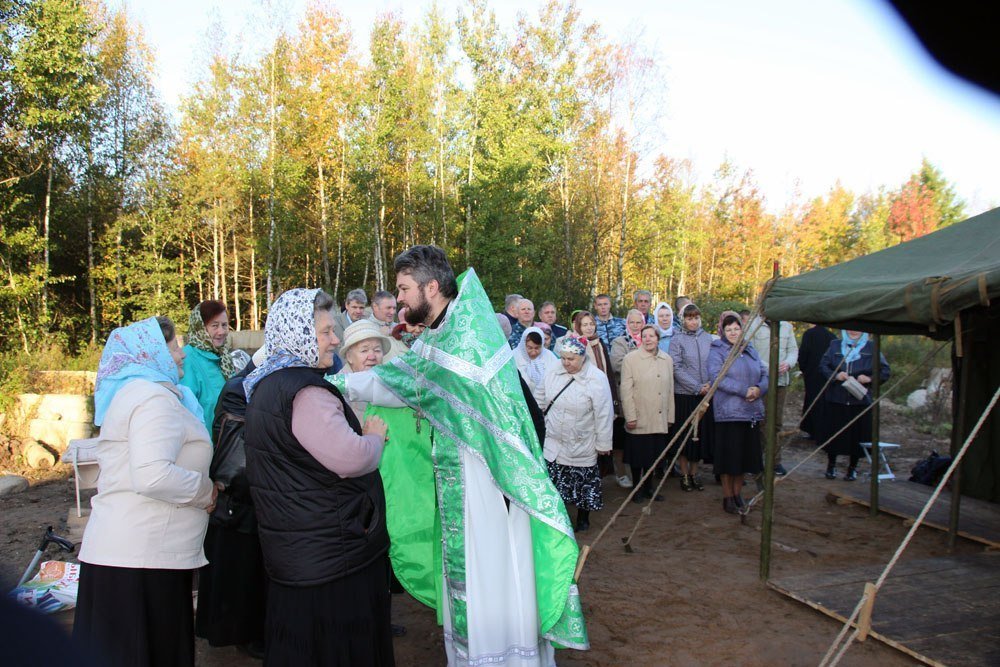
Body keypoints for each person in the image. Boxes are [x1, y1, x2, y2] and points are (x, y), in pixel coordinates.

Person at [331, 245, 589, 666]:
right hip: (468, 479)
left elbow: (400, 383)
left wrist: (332, 386)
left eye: (404, 288)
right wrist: (335, 385)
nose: (398, 300)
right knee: (475, 574)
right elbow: (403, 385)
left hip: (488, 483)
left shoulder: (465, 338)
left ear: (431, 287)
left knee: (493, 572)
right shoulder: (442, 334)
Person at [243, 288, 393, 666]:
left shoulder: (266, 386)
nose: (336, 339)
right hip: (332, 557)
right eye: (325, 332)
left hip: (299, 552)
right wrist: (373, 438)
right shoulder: (305, 391)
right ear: (299, 335)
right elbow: (350, 458)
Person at [74, 316, 218, 667]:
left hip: (128, 556)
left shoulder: (140, 393)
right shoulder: (153, 398)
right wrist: (206, 492)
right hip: (141, 562)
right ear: (150, 352)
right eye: (172, 346)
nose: (181, 354)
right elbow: (152, 475)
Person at [195, 350, 269, 658]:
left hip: (244, 493)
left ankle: (241, 630)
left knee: (244, 568)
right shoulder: (240, 389)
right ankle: (241, 634)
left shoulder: (246, 386)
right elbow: (237, 444)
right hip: (238, 495)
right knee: (239, 569)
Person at [534, 335, 613, 532]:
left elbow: (604, 414)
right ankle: (560, 519)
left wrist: (603, 444)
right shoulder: (553, 371)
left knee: (583, 483)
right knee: (556, 483)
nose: (566, 363)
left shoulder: (596, 378)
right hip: (554, 440)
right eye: (563, 358)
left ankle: (583, 518)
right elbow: (540, 398)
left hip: (582, 440)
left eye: (571, 359)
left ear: (582, 358)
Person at [708, 314, 769, 514]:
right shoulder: (718, 350)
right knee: (729, 458)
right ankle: (728, 497)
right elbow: (717, 377)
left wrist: (759, 389)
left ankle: (737, 493)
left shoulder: (750, 350)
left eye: (736, 329)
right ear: (723, 332)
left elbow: (765, 372)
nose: (733, 333)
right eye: (729, 330)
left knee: (744, 458)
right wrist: (744, 390)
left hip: (750, 412)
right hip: (729, 412)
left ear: (742, 330)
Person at [819, 330, 890, 481]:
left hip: (860, 399)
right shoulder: (835, 345)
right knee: (834, 434)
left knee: (857, 436)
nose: (853, 331)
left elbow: (885, 371)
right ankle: (831, 466)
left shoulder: (872, 347)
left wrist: (869, 378)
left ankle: (852, 468)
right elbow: (823, 366)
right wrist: (836, 375)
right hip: (836, 398)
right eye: (849, 328)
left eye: (857, 328)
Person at [619, 325, 675, 502]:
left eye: (652, 335)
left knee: (654, 455)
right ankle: (637, 488)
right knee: (638, 457)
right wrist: (630, 416)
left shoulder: (667, 359)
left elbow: (670, 390)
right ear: (640, 338)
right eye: (645, 336)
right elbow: (626, 390)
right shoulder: (631, 359)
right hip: (639, 415)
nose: (648, 339)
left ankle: (649, 488)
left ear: (658, 338)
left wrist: (670, 416)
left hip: (659, 417)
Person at [669, 303, 715, 492]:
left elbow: (715, 363)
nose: (693, 321)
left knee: (700, 437)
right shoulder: (677, 339)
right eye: (689, 318)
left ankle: (696, 473)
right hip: (685, 395)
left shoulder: (708, 338)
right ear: (683, 320)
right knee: (685, 436)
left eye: (696, 318)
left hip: (706, 394)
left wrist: (709, 385)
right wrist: (696, 387)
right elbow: (676, 367)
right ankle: (685, 474)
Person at [749, 316, 799, 475]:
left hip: (781, 381)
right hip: (761, 381)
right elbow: (750, 350)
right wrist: (770, 367)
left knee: (777, 422)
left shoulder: (786, 325)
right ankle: (756, 460)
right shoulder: (754, 325)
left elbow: (793, 349)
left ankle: (775, 461)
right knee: (760, 422)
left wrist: (789, 363)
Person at [180, 300, 234, 436]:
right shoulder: (187, 359)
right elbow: (187, 411)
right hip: (204, 444)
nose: (221, 331)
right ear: (200, 328)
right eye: (214, 326)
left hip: (227, 442)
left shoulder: (224, 357)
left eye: (224, 325)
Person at [338, 319, 392, 416]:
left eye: (377, 350)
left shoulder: (389, 380)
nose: (372, 357)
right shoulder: (339, 387)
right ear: (349, 357)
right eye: (364, 350)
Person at [798, 324, 837, 439]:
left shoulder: (809, 334)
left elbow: (803, 353)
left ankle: (813, 430)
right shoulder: (832, 336)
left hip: (812, 373)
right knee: (824, 402)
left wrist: (804, 369)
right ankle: (823, 430)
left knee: (812, 400)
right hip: (826, 374)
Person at [515, 326, 559, 393]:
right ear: (524, 345)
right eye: (530, 348)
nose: (533, 352)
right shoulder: (514, 357)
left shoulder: (549, 356)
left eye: (537, 348)